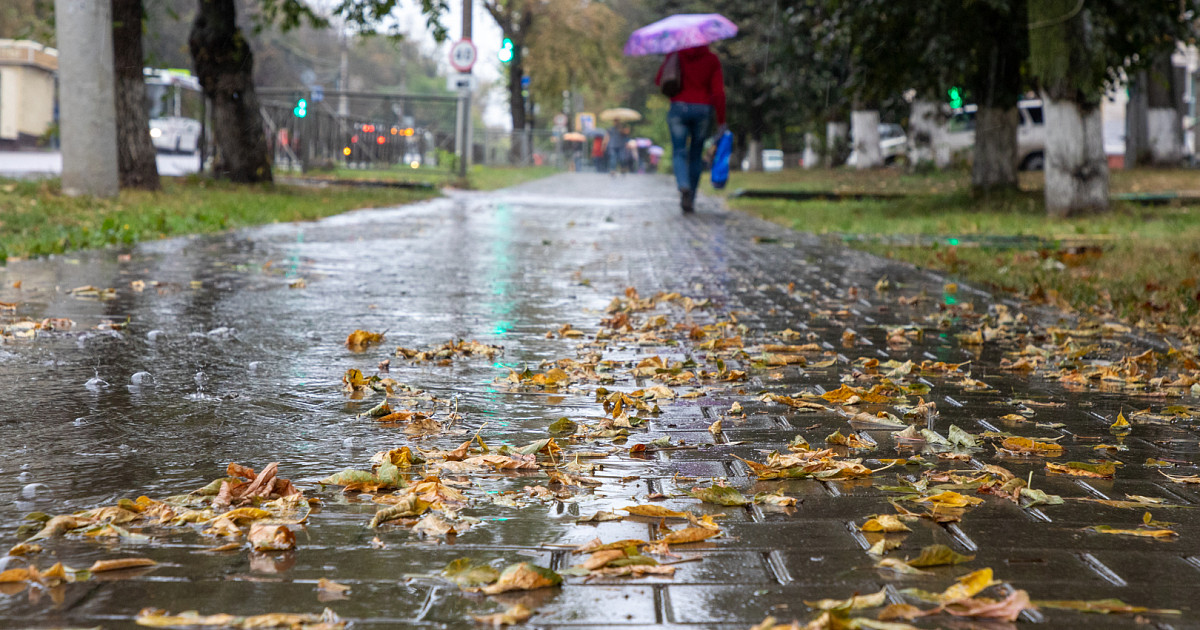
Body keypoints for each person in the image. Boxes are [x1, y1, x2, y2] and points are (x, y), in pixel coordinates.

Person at [656, 45, 726, 213]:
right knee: (696, 155)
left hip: (678, 108)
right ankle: (691, 197)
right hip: (702, 110)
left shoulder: (675, 55)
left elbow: (660, 80)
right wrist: (721, 120)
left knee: (679, 151)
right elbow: (718, 92)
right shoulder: (711, 59)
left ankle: (683, 185)